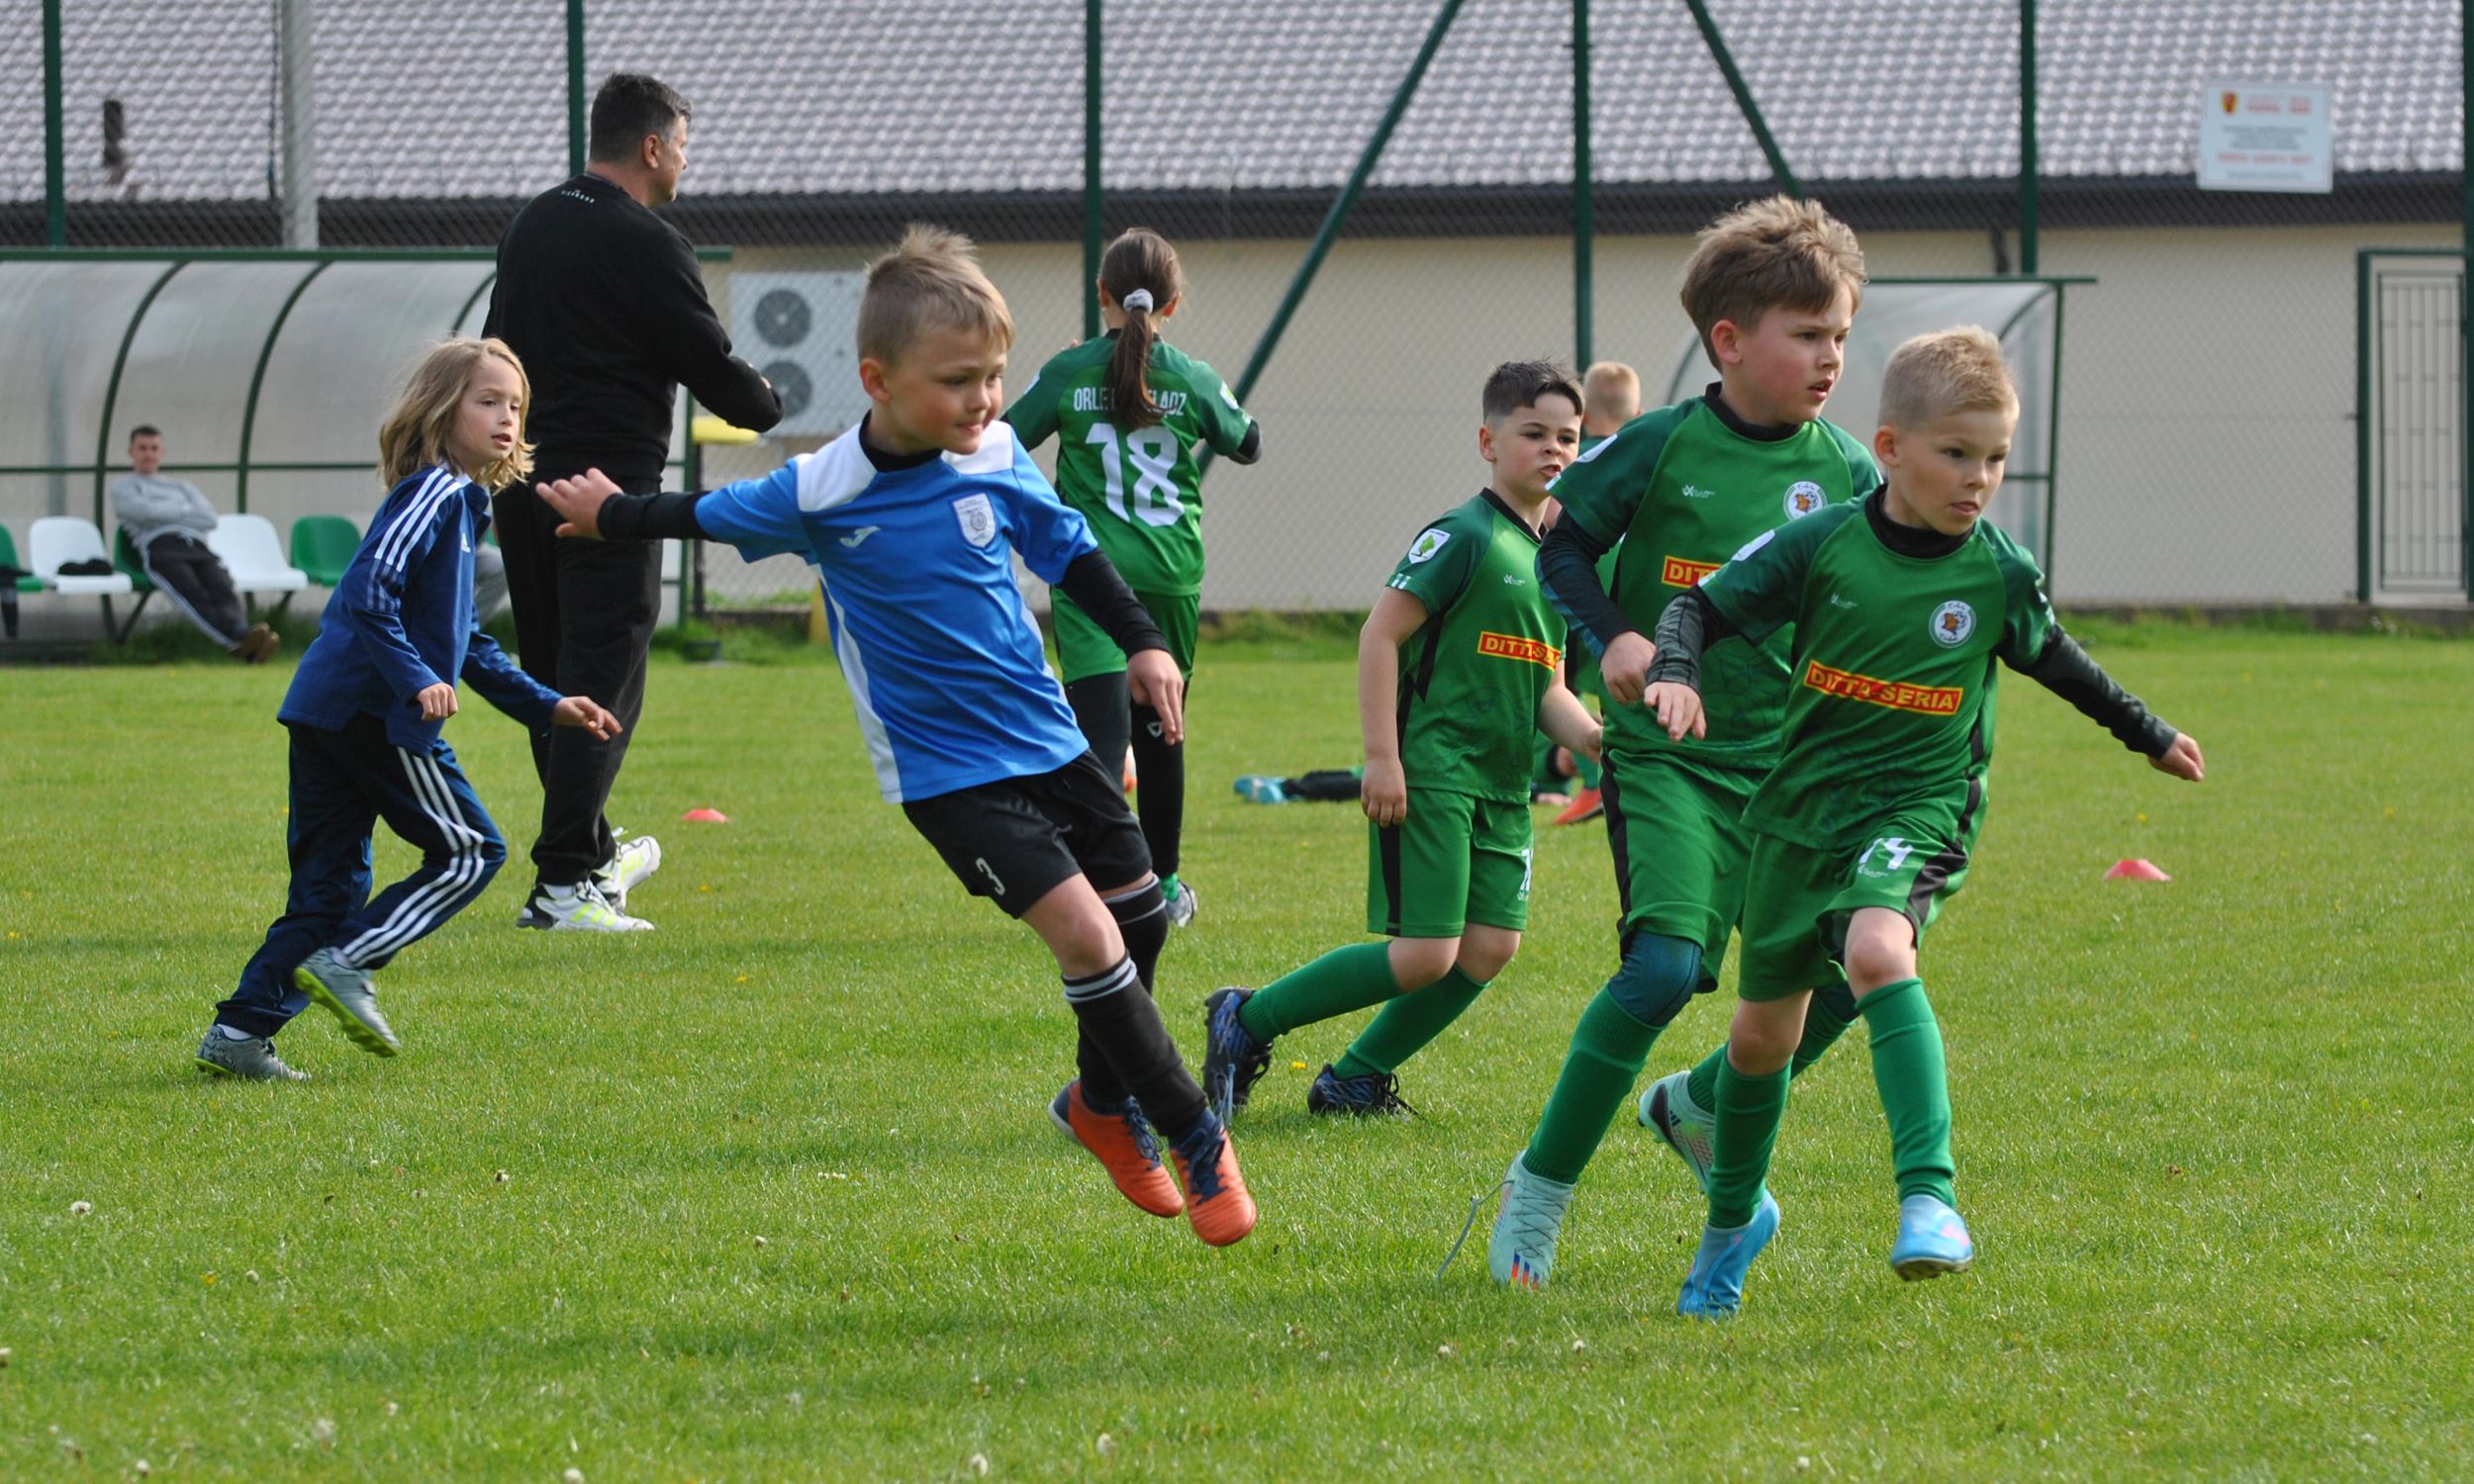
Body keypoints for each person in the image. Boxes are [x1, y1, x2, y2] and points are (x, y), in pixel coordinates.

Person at [530, 227, 1256, 1247]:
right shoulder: (825, 491)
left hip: (1050, 740)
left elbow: (1071, 549)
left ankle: (1094, 1105)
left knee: (1139, 917)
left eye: (995, 377)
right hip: (951, 776)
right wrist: (614, 516)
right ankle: (1193, 1134)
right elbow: (705, 510)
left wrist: (1142, 643)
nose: (985, 400)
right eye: (957, 380)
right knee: (1091, 937)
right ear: (876, 379)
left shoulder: (997, 452)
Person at [1635, 326, 2204, 1315]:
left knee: (1877, 954)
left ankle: (1930, 1202)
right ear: (1890, 448)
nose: (1977, 478)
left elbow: (2058, 658)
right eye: (1955, 454)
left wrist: (2147, 734)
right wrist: (1676, 675)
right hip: (1799, 814)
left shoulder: (1995, 570)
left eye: (1994, 458)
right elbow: (1694, 610)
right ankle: (1728, 1235)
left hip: (1920, 805)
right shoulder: (1821, 542)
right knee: (1762, 1042)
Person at [1485, 196, 1879, 1289]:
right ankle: (1539, 1191)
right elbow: (1557, 554)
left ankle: (1703, 1103)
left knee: (1861, 965)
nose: (1829, 357)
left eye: (1840, 335)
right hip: (1667, 759)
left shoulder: (1849, 472)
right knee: (1661, 971)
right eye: (1807, 335)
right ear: (1728, 340)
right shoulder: (1653, 449)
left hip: (1789, 771)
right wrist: (1610, 633)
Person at [196, 339, 620, 1081]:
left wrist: (547, 704)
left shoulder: (461, 504)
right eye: (487, 401)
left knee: (328, 890)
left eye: (516, 406)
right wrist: (414, 676)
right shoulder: (437, 493)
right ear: (441, 408)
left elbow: (470, 642)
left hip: (327, 711)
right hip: (375, 715)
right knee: (469, 852)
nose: (506, 418)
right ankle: (348, 962)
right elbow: (368, 591)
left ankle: (239, 1033)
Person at [1200, 362, 1602, 1120]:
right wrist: (1383, 758)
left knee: (1488, 950)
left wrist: (1592, 738)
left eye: (1568, 438)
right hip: (1436, 771)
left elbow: (1544, 685)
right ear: (1488, 441)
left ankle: (1354, 1078)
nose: (1554, 450)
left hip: (1503, 781)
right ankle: (1246, 1019)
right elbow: (1379, 634)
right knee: (1426, 954)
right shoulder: (1464, 534)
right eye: (1534, 433)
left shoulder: (1552, 562)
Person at [484, 71, 784, 933]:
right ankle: (565, 883)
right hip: (607, 494)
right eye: (683, 143)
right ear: (652, 147)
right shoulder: (648, 242)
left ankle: (593, 851)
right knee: (604, 675)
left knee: (552, 677)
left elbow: (499, 353)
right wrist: (768, 399)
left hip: (525, 480)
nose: (687, 159)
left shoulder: (532, 222)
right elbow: (716, 372)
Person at [1003, 228, 1262, 929]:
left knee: (1097, 734)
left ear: (1101, 295)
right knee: (1162, 730)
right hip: (1171, 573)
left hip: (1091, 573)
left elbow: (1001, 441)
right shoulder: (1192, 374)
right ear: (1173, 302)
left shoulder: (1067, 371)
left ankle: (1091, 886)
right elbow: (1248, 443)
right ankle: (1166, 885)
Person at [1535, 360, 1645, 825]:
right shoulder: (1641, 454)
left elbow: (1553, 517)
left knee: (1571, 684)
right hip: (1631, 584)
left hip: (1581, 584)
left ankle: (1591, 778)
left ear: (1583, 419)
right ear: (1637, 412)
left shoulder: (1577, 459)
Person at [110, 425, 278, 661]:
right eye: (142, 448)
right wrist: (185, 510)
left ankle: (244, 637)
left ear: (162, 452)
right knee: (192, 592)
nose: (148, 454)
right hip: (160, 546)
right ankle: (238, 640)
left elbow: (209, 518)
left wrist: (162, 512)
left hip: (196, 545)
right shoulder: (123, 487)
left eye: (154, 448)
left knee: (222, 586)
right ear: (131, 452)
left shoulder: (182, 487)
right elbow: (142, 512)